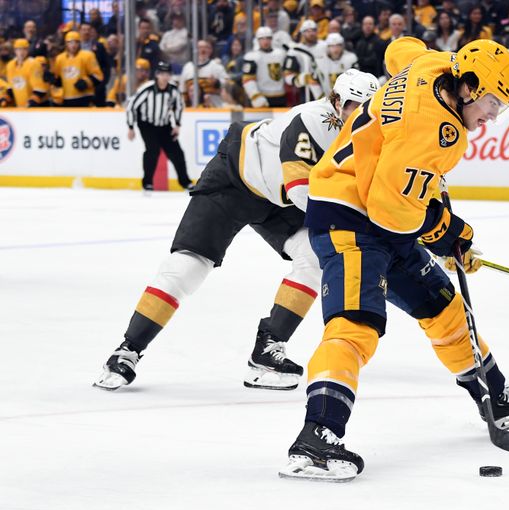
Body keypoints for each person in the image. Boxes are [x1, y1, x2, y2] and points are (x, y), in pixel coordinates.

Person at [278, 37, 509, 482]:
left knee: (445, 307)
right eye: (488, 103)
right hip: (350, 214)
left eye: (500, 107)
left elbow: (400, 51)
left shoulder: (436, 65)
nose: (490, 116)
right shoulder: (431, 130)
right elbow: (392, 210)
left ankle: (494, 394)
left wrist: (441, 220)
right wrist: (449, 233)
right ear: (465, 85)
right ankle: (316, 438)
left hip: (380, 211)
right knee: (355, 325)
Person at [95, 69, 379, 392]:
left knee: (313, 257)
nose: (362, 114)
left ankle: (267, 351)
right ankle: (128, 349)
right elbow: (303, 193)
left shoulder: (371, 134)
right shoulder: (313, 120)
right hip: (236, 177)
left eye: (368, 107)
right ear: (337, 101)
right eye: (355, 105)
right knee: (188, 267)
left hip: (277, 197)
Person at [125, 61, 193, 191]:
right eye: (162, 74)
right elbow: (132, 107)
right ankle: (147, 183)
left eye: (167, 74)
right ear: (157, 75)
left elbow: (178, 106)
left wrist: (177, 125)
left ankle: (185, 182)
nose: (165, 77)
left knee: (177, 153)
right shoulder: (147, 89)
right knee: (152, 150)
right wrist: (131, 127)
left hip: (164, 125)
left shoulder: (173, 90)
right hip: (147, 124)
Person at [52, 31, 104, 107]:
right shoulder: (60, 59)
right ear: (66, 44)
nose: (73, 45)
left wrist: (86, 82)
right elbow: (59, 80)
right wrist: (52, 79)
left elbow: (98, 76)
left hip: (85, 97)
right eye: (70, 42)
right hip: (66, 98)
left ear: (79, 43)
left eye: (76, 42)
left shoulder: (88, 56)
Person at [242, 26, 287, 107]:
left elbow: (286, 73)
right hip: (261, 97)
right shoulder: (252, 57)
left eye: (268, 38)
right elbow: (247, 80)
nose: (265, 41)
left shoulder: (281, 54)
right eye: (262, 38)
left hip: (280, 96)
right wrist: (255, 96)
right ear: (257, 40)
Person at [284, 20, 325, 103]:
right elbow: (288, 76)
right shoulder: (295, 50)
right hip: (306, 89)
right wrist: (302, 79)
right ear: (302, 33)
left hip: (326, 85)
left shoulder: (325, 46)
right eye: (307, 31)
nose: (311, 33)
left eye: (313, 30)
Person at [179, 39, 229, 107]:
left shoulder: (217, 67)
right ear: (195, 51)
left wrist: (217, 82)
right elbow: (182, 89)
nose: (203, 50)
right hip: (192, 109)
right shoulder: (187, 67)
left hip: (214, 107)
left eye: (206, 47)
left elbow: (228, 85)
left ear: (210, 50)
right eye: (199, 47)